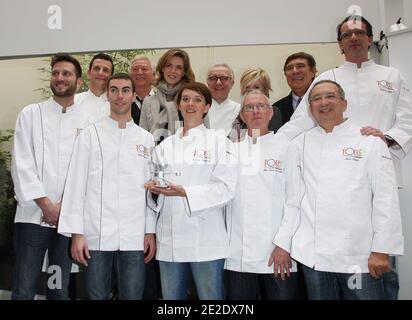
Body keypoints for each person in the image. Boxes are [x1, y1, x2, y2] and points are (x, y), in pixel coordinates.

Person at [277, 15, 412, 300]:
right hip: (320, 252)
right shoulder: (328, 78)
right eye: (347, 35)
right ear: (340, 44)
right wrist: (262, 150)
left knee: (382, 280)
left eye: (359, 33)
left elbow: (407, 121)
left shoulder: (392, 77)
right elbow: (297, 125)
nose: (353, 38)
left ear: (370, 38)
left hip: (376, 164)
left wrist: (385, 138)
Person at [58, 73, 156, 300]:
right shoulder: (90, 135)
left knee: (133, 295)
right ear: (107, 95)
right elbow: (75, 185)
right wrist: (77, 233)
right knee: (96, 296)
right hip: (96, 234)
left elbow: (151, 192)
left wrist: (150, 231)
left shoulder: (146, 139)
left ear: (133, 95)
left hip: (134, 234)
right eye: (114, 90)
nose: (119, 96)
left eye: (124, 90)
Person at [144, 82, 238, 300]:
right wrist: (155, 191)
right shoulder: (165, 145)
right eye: (185, 99)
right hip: (170, 240)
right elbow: (153, 189)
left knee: (210, 300)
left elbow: (225, 189)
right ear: (178, 105)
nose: (190, 104)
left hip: (205, 241)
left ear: (206, 107)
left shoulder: (219, 142)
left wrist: (184, 192)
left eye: (197, 100)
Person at [11, 53, 93, 300]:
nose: (60, 78)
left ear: (79, 82)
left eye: (66, 74)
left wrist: (64, 209)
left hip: (67, 222)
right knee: (24, 287)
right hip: (33, 217)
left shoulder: (89, 121)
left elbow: (87, 171)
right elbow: (21, 163)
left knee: (58, 288)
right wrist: (46, 204)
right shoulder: (30, 114)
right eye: (56, 73)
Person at [225, 90, 298, 300]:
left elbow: (294, 201)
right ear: (242, 115)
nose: (255, 111)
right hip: (237, 254)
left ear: (271, 113)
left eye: (261, 106)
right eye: (249, 107)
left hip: (277, 253)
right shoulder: (231, 151)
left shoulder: (288, 149)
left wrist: (284, 245)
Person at [139, 48, 195, 142]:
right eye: (169, 65)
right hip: (156, 154)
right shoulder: (148, 102)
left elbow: (203, 134)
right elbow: (142, 138)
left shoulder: (194, 100)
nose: (173, 71)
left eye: (178, 67)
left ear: (184, 72)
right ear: (162, 68)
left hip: (187, 154)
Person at [230, 67, 282, 142]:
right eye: (247, 88)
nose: (251, 91)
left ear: (265, 90)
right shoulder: (240, 113)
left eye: (256, 87)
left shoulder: (272, 111)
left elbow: (259, 138)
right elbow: (233, 139)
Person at [272, 52, 316, 124]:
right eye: (289, 68)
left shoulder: (326, 102)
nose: (295, 71)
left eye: (300, 66)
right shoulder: (276, 109)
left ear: (313, 72)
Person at [75, 52, 114, 121]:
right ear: (89, 73)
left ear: (111, 77)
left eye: (105, 70)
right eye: (96, 68)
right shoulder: (74, 101)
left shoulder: (118, 103)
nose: (100, 73)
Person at [204, 63, 240, 134]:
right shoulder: (199, 108)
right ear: (207, 83)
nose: (218, 83)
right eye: (213, 78)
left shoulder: (239, 109)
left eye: (224, 78)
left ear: (232, 83)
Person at [129, 55, 155, 125]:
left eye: (144, 69)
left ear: (153, 74)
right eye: (135, 69)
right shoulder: (123, 101)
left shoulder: (162, 101)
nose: (139, 72)